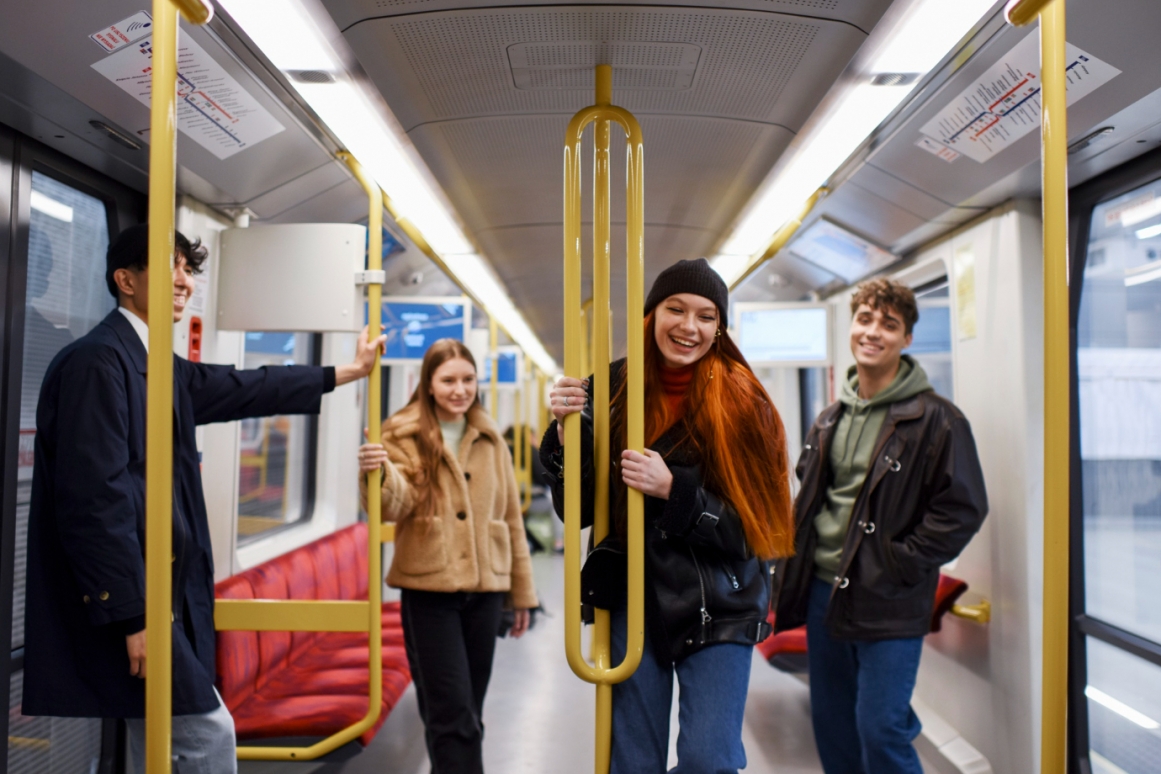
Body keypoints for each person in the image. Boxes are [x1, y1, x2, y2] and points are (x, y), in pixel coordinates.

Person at [22, 223, 385, 774]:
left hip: (163, 595)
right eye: (171, 267)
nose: (184, 282)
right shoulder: (97, 363)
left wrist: (347, 372)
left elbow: (247, 385)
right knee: (207, 733)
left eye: (189, 270)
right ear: (125, 280)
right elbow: (95, 503)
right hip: (134, 602)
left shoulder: (155, 364)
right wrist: (131, 617)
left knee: (161, 740)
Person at [542, 258, 795, 774]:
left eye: (706, 316)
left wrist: (675, 491)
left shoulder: (746, 403)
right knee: (633, 762)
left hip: (719, 599)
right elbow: (580, 511)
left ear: (719, 328)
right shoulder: (608, 389)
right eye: (675, 310)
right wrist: (567, 440)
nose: (689, 327)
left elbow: (758, 530)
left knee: (710, 759)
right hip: (632, 592)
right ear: (651, 314)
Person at [773, 278, 988, 774]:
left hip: (890, 599)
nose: (873, 332)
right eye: (865, 320)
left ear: (906, 339)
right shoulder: (829, 419)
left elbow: (963, 508)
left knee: (880, 727)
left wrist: (897, 562)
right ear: (852, 327)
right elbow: (813, 499)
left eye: (888, 325)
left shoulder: (938, 420)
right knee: (834, 727)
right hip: (826, 594)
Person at [358, 338, 538, 774]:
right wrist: (377, 474)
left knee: (467, 714)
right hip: (430, 589)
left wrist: (523, 595)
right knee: (452, 714)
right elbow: (392, 505)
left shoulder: (491, 437)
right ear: (429, 384)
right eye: (449, 380)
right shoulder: (400, 433)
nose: (460, 389)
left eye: (468, 379)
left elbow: (511, 517)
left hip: (487, 589)